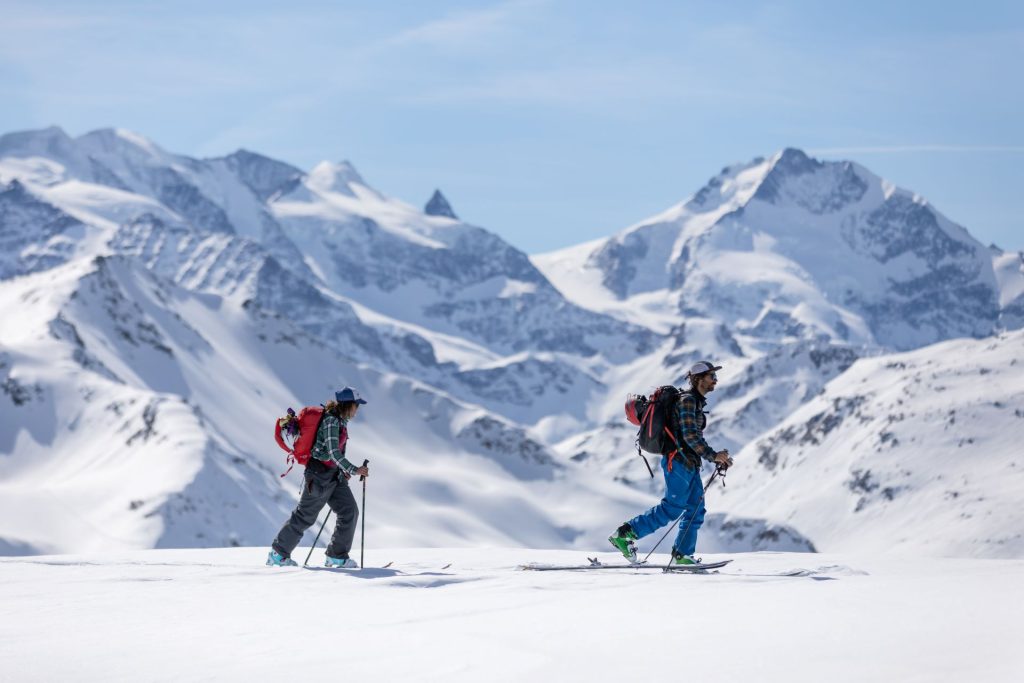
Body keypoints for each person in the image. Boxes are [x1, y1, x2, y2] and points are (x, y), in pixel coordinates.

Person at [608, 361, 733, 565]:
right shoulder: (688, 401)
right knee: (673, 508)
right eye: (712, 377)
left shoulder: (695, 401)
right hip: (678, 462)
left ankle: (682, 556)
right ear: (698, 378)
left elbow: (691, 437)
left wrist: (716, 456)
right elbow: (690, 436)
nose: (715, 381)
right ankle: (624, 534)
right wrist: (713, 455)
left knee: (695, 511)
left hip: (689, 463)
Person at [267, 387, 370, 568]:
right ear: (348, 405)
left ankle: (336, 557)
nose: (357, 409)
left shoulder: (341, 421)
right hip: (319, 475)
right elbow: (333, 452)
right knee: (305, 516)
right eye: (356, 405)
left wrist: (343, 470)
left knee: (349, 511)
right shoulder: (331, 421)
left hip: (334, 476)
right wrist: (354, 469)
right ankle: (278, 555)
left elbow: (334, 453)